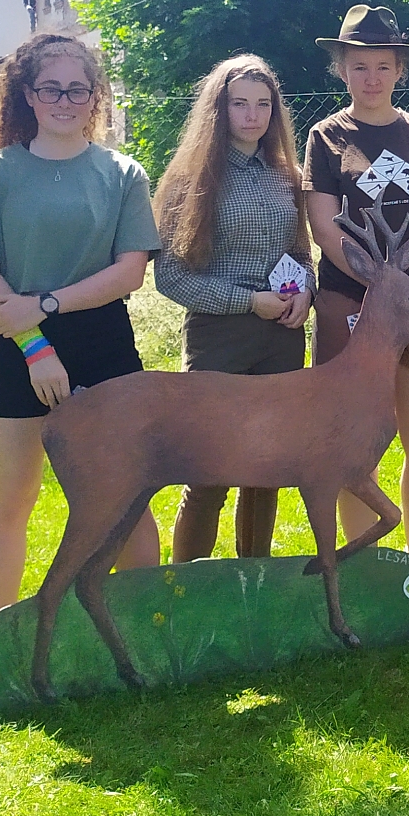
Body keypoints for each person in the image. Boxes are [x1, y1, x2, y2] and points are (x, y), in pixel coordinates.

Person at [0, 33, 162, 613]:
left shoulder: (124, 173)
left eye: (77, 90)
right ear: (27, 95)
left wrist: (44, 305)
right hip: (15, 349)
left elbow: (129, 273)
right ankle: (1, 636)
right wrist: (35, 345)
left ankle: (143, 627)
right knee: (10, 500)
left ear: (95, 97)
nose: (64, 101)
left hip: (103, 347)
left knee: (127, 500)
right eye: (51, 89)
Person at [302, 5, 409, 572]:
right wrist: (381, 292)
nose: (371, 77)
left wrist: (408, 296)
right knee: (352, 444)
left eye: (382, 65)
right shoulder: (325, 137)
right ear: (342, 70)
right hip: (349, 303)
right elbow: (324, 228)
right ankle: (362, 566)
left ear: (399, 70)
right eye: (359, 66)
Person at [153, 54, 313, 561]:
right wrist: (248, 301)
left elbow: (302, 254)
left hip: (282, 336)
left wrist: (305, 292)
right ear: (217, 110)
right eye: (240, 103)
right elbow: (170, 277)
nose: (252, 115)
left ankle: (253, 580)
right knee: (209, 472)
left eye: (263, 104)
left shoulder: (289, 175)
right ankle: (185, 587)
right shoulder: (190, 180)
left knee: (267, 470)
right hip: (218, 338)